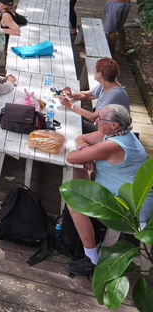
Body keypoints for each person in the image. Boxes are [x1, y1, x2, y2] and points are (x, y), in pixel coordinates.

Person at [63, 105, 151, 276]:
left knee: (74, 202)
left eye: (100, 119)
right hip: (119, 192)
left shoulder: (113, 145)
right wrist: (85, 151)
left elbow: (70, 157)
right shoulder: (117, 134)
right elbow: (81, 138)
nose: (96, 120)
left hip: (132, 206)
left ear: (114, 125)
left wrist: (87, 155)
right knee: (80, 171)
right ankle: (83, 240)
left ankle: (92, 259)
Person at [58, 57, 129, 133]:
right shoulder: (108, 83)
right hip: (101, 124)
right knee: (71, 115)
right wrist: (71, 95)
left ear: (100, 74)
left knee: (72, 121)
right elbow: (87, 95)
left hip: (110, 133)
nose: (93, 70)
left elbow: (92, 117)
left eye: (95, 68)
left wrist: (68, 104)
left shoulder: (114, 94)